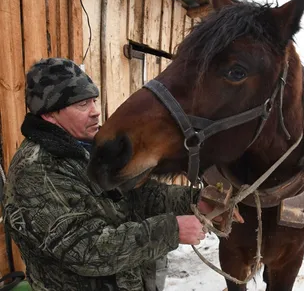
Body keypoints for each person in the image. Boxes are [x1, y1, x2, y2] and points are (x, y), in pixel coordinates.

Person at [1, 58, 219, 291]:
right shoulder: (37, 171)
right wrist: (172, 230)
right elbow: (86, 249)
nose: (96, 112)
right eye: (82, 104)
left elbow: (137, 194)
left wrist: (195, 200)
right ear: (49, 115)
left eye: (94, 100)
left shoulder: (88, 148)